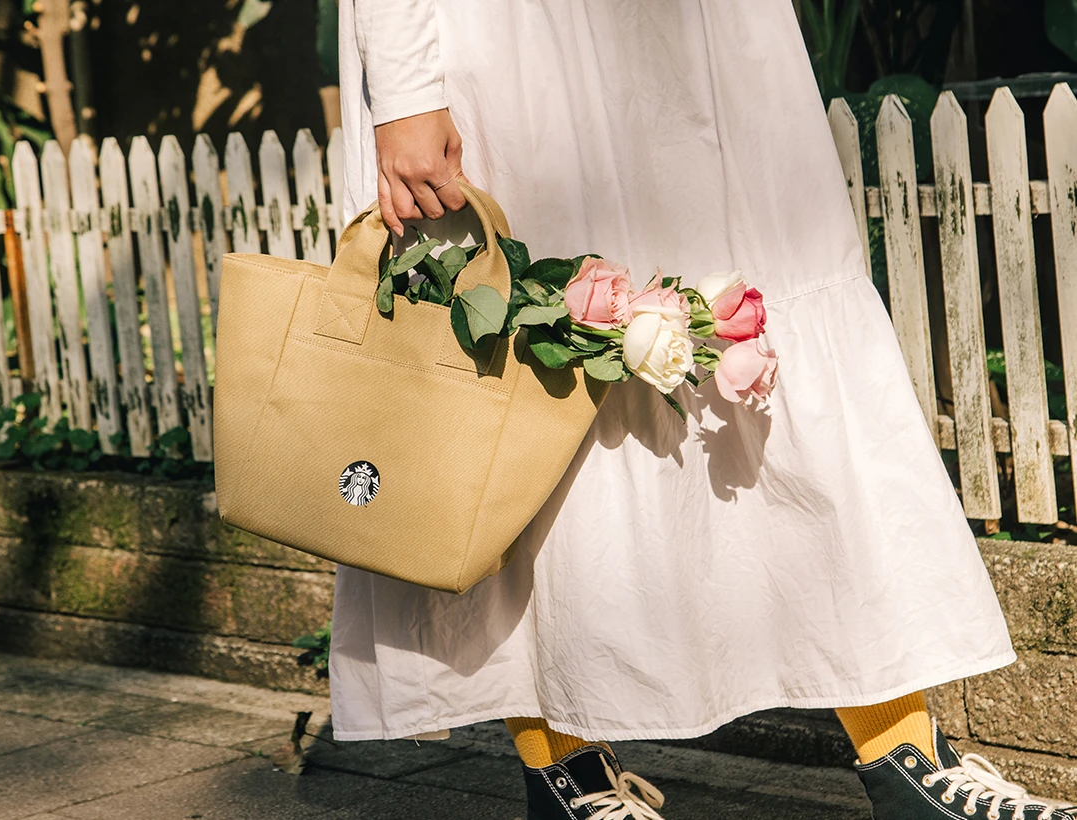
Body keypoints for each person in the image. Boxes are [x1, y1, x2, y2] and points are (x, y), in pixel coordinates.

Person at [328, 2, 1071, 819]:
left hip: (704, 32)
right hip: (512, 42)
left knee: (773, 318)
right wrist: (401, 88)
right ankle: (567, 777)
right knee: (535, 382)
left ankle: (907, 757)